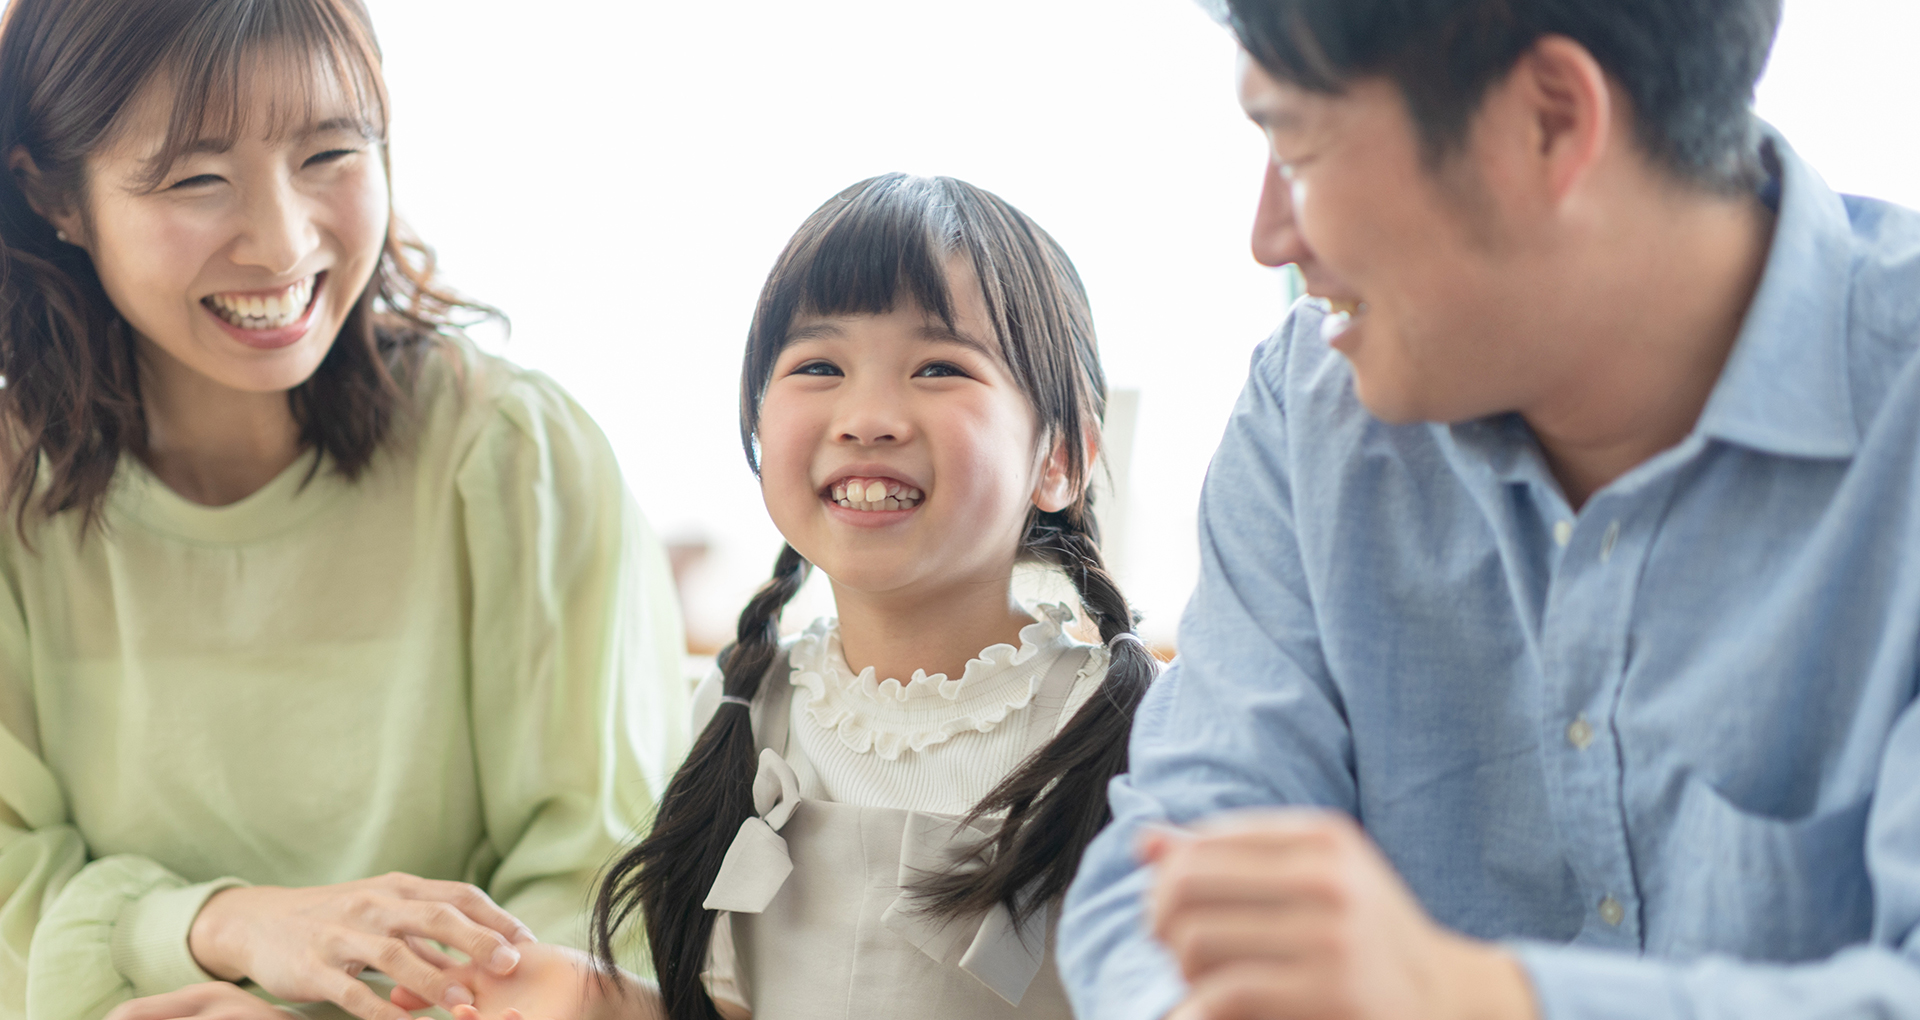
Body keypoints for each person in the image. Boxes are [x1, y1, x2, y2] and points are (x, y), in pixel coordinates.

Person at [1057, 0, 1920, 1018]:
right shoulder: (1313, 409)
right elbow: (1166, 875)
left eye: (1297, 148)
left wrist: (1477, 998)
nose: (1268, 239)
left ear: (1550, 121)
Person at [0, 2, 687, 1019]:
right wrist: (223, 922)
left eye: (330, 152)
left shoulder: (513, 461)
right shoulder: (16, 502)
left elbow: (603, 891)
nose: (281, 242)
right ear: (55, 195)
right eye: (197, 178)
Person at [418, 173, 1159, 1020]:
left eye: (938, 366)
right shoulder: (743, 710)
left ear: (1062, 455)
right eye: (818, 365)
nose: (868, 415)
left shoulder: (1127, 735)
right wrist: (593, 1000)